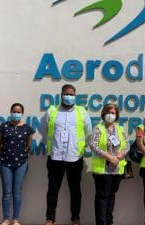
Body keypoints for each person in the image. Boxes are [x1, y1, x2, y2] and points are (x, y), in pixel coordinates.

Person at [40, 84, 92, 225]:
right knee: (52, 189)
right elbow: (43, 130)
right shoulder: (52, 111)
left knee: (75, 190)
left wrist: (80, 147)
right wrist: (51, 143)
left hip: (75, 157)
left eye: (71, 94)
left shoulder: (82, 112)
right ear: (61, 95)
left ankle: (75, 219)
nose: (68, 97)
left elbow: (89, 133)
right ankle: (50, 219)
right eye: (66, 94)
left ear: (75, 96)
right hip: (55, 156)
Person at [89, 103, 129, 225]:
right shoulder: (98, 128)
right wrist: (109, 157)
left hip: (117, 169)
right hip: (103, 170)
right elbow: (93, 145)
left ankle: (109, 222)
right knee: (102, 198)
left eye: (113, 113)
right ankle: (101, 222)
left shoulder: (120, 129)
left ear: (116, 115)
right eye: (108, 112)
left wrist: (120, 155)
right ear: (103, 113)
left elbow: (127, 145)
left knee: (111, 196)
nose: (110, 115)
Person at [0, 103, 35, 225]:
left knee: (17, 192)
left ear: (22, 113)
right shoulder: (3, 126)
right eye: (14, 111)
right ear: (10, 112)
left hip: (21, 164)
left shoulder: (28, 128)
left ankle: (16, 219)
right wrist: (4, 155)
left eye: (18, 112)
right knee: (7, 192)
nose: (16, 114)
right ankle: (6, 219)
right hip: (5, 163)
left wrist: (21, 155)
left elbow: (28, 145)